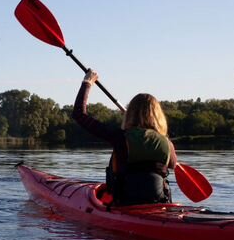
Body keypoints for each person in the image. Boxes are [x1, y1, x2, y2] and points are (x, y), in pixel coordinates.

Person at [72, 69, 176, 206]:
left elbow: (79, 114)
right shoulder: (167, 144)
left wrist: (87, 82)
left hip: (124, 204)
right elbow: (173, 165)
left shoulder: (120, 137)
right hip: (159, 204)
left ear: (130, 114)